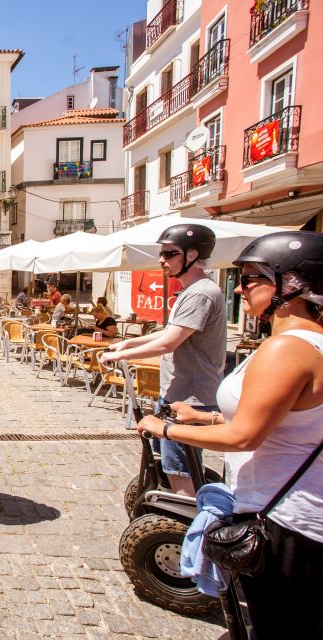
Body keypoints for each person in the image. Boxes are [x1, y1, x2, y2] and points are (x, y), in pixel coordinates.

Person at [136, 231, 323, 638]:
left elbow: (246, 438)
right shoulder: (306, 342)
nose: (240, 287)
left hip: (285, 518)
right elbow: (278, 423)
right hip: (290, 509)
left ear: (290, 285)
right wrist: (208, 420)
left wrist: (167, 427)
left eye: (253, 277)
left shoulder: (288, 347)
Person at [103, 223, 226, 495]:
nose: (162, 260)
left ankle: (188, 528)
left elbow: (169, 343)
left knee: (181, 474)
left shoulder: (201, 293)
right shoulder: (190, 291)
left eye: (170, 254)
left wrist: (121, 354)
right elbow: (169, 333)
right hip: (177, 394)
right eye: (162, 254)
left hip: (190, 399)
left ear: (193, 255)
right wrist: (128, 342)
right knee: (171, 467)